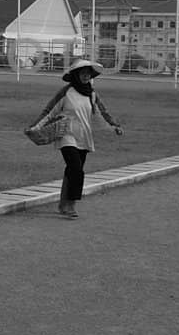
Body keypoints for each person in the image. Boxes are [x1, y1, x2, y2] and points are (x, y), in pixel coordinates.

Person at [31, 57, 124, 220]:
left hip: (84, 135)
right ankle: (71, 205)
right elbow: (49, 110)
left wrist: (114, 125)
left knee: (72, 170)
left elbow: (103, 111)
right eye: (82, 73)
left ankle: (63, 204)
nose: (86, 76)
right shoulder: (66, 92)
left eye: (88, 74)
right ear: (76, 74)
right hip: (66, 133)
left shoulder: (92, 94)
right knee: (76, 168)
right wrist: (35, 127)